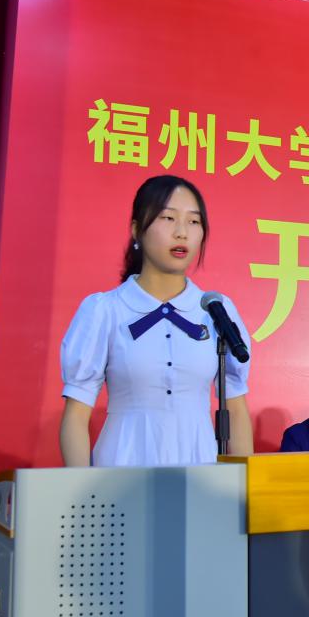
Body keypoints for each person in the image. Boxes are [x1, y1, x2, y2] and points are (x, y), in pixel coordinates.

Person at [59, 175, 253, 466]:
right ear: (137, 230)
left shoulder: (216, 310)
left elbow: (235, 410)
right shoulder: (105, 310)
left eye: (193, 221)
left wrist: (244, 487)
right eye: (168, 218)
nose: (182, 233)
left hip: (200, 468)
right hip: (121, 466)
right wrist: (81, 488)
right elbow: (76, 415)